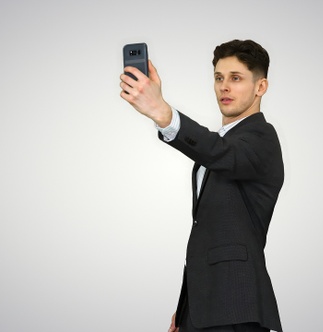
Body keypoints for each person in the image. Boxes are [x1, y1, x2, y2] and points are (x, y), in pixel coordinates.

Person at [120, 39, 284, 332]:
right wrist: (185, 310)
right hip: (204, 309)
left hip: (236, 309)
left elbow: (219, 152)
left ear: (261, 87)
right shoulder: (222, 145)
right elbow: (207, 235)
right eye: (219, 78)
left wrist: (164, 114)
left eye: (236, 78)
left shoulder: (262, 138)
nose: (224, 87)